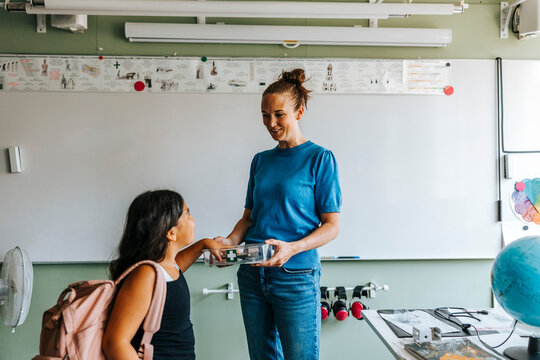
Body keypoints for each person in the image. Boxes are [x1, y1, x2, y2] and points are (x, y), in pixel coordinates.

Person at [215, 69, 342, 360]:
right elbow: (248, 218)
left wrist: (293, 248)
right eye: (264, 115)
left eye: (279, 115)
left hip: (295, 275)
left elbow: (332, 226)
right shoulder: (260, 160)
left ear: (299, 111)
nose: (271, 123)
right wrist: (229, 242)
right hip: (251, 273)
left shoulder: (319, 158)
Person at [103, 190, 224, 360]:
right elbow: (115, 343)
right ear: (171, 233)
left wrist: (202, 245)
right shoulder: (146, 275)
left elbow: (176, 268)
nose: (193, 219)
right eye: (187, 214)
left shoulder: (166, 268)